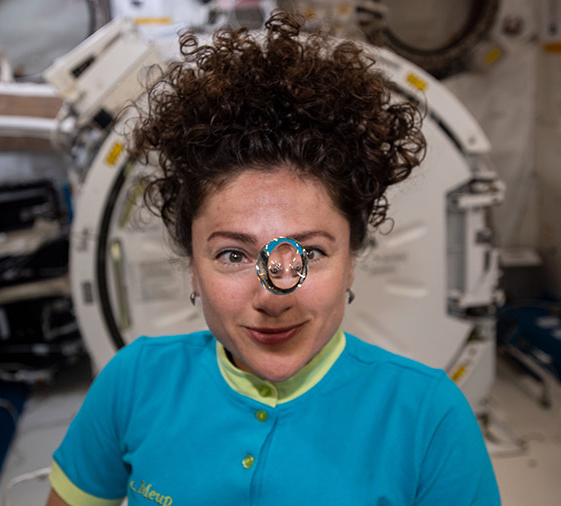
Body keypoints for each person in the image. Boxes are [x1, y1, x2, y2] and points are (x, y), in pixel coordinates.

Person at [47, 10, 499, 506]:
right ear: (193, 268)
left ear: (350, 261)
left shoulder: (430, 419)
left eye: (308, 251)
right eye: (233, 254)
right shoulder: (131, 383)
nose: (273, 297)